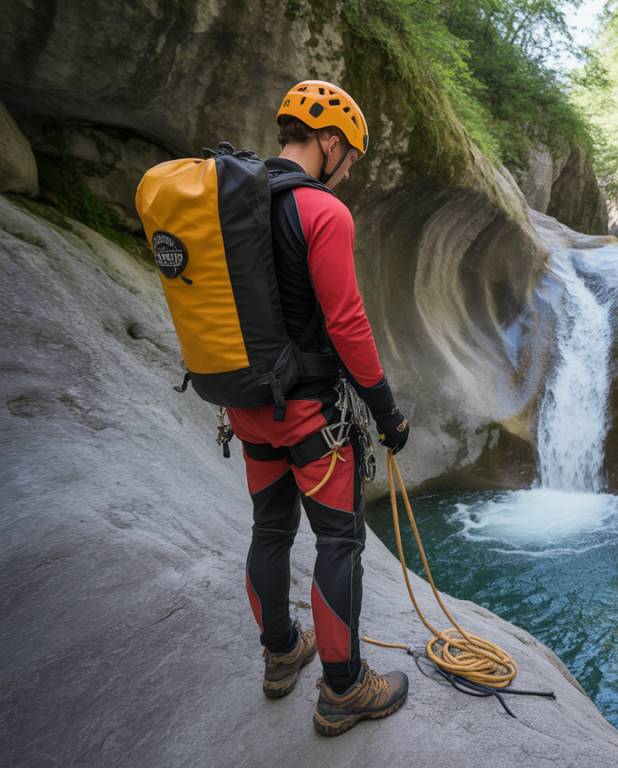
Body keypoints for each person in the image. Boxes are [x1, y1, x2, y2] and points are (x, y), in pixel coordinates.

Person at [225, 79, 410, 737]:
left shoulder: (235, 205)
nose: (349, 171)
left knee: (269, 530)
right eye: (351, 158)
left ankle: (281, 655)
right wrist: (386, 412)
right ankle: (344, 688)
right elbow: (348, 323)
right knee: (339, 539)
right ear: (330, 142)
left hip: (248, 409)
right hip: (313, 420)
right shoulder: (323, 212)